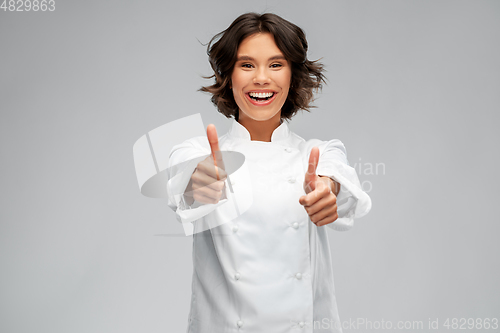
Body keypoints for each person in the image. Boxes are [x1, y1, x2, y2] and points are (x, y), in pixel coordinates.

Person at [166, 12, 372, 333]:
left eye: (276, 64)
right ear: (228, 75)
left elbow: (340, 184)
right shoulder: (198, 153)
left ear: (292, 76)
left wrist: (328, 191)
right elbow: (183, 187)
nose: (261, 78)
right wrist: (200, 181)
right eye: (247, 65)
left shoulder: (316, 153)